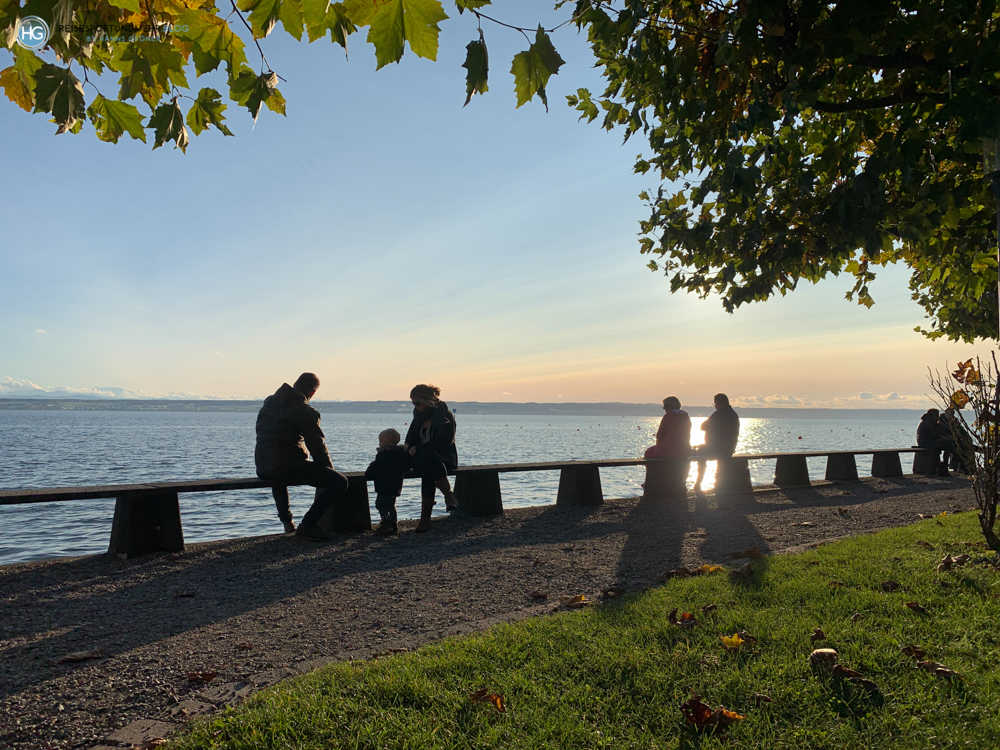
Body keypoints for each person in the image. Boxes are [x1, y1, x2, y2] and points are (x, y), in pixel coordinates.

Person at [254, 373, 349, 541]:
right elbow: (317, 447)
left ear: (295, 384)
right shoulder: (304, 411)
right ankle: (308, 525)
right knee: (340, 483)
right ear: (312, 393)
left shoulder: (270, 402)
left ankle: (287, 522)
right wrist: (328, 470)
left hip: (262, 466)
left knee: (278, 474)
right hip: (288, 466)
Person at [404, 384, 459, 533]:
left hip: (442, 458)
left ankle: (425, 520)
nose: (415, 406)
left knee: (429, 462)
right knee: (428, 459)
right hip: (422, 459)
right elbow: (409, 440)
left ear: (428, 400)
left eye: (417, 403)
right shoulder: (418, 417)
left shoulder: (445, 416)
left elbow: (445, 443)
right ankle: (448, 494)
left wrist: (421, 448)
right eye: (413, 403)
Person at [365, 428, 408, 536]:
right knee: (391, 505)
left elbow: (375, 468)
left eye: (381, 441)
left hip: (384, 485)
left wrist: (368, 473)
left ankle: (385, 522)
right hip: (396, 485)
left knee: (380, 504)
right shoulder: (400, 454)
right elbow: (406, 466)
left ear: (387, 442)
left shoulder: (383, 454)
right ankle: (394, 525)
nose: (379, 443)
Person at [694, 393, 741, 492]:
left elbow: (703, 426)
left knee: (699, 453)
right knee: (719, 460)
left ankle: (698, 483)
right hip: (730, 448)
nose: (715, 407)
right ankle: (719, 483)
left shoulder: (719, 413)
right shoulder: (733, 414)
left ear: (718, 403)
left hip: (716, 448)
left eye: (715, 404)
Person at [916, 408, 956, 477]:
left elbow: (935, 434)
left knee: (949, 442)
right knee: (949, 442)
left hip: (926, 441)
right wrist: (942, 437)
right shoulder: (929, 422)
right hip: (926, 443)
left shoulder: (927, 420)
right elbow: (934, 434)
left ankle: (945, 464)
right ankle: (945, 464)